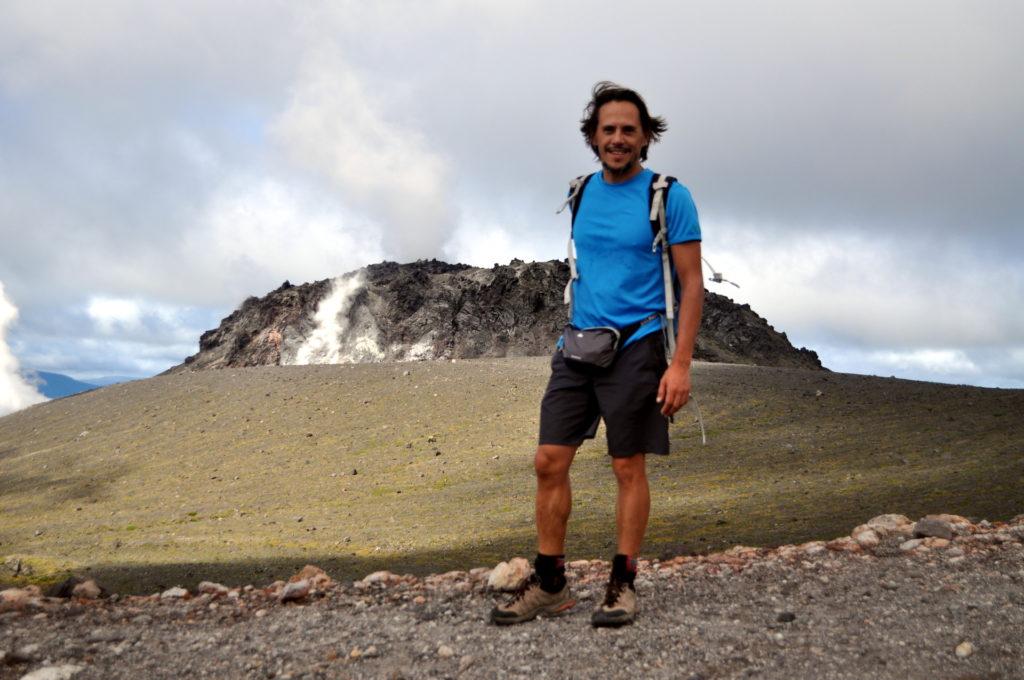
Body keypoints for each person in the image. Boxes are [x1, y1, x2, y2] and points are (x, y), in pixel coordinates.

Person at [491, 82, 704, 627]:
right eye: (607, 129)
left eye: (628, 130)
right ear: (593, 136)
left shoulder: (668, 195)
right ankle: (552, 583)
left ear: (645, 137)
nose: (617, 138)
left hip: (636, 344)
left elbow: (691, 282)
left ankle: (623, 583)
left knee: (627, 465)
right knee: (547, 462)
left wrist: (680, 365)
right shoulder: (581, 192)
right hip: (578, 344)